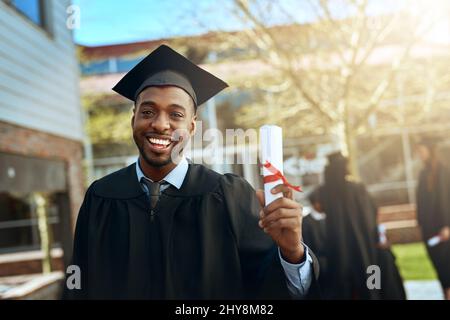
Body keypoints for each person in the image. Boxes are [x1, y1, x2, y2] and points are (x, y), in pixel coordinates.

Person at [63, 45, 319, 299]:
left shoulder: (229, 195)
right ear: (133, 120)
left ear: (192, 127)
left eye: (175, 114)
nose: (161, 124)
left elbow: (268, 289)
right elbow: (79, 286)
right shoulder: (102, 197)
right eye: (148, 112)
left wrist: (291, 253)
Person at [320, 152, 404, 299]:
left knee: (346, 284)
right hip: (364, 245)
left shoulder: (326, 191)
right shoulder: (357, 188)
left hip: (339, 251)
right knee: (371, 274)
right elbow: (372, 212)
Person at [416, 137, 450, 300]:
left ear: (430, 151)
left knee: (446, 267)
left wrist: (447, 225)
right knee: (438, 265)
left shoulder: (442, 172)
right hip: (429, 230)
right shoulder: (424, 173)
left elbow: (445, 199)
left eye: (421, 151)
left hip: (442, 229)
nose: (419, 154)